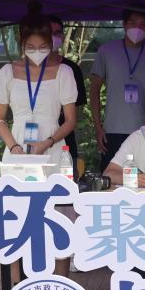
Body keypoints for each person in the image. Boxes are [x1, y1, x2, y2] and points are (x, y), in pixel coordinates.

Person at [0, 8, 78, 277]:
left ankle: (60, 283)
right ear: (22, 44)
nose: (37, 52)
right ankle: (19, 286)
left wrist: (48, 142)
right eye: (30, 47)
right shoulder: (8, 72)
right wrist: (14, 146)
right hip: (17, 156)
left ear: (51, 43)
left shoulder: (63, 72)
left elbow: (70, 121)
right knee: (16, 220)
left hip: (52, 153)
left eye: (43, 46)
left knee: (58, 217)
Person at [90, 3, 145, 171]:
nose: (137, 28)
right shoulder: (106, 50)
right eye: (132, 23)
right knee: (111, 176)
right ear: (124, 24)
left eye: (142, 24)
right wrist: (98, 127)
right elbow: (94, 89)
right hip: (113, 128)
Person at [48, 13, 87, 176]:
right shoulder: (26, 70)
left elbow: (76, 110)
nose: (53, 37)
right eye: (49, 32)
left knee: (67, 184)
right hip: (34, 138)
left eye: (57, 33)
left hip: (66, 140)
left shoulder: (71, 69)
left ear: (63, 36)